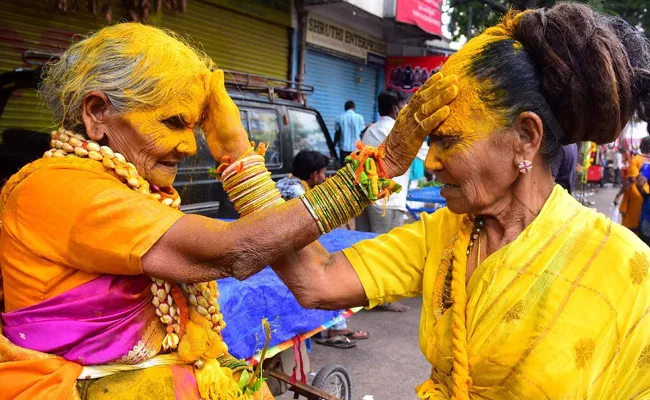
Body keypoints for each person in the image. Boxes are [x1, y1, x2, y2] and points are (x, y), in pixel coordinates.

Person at [0, 23, 453, 399]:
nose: (187, 145)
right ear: (97, 112)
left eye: (195, 127)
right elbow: (232, 251)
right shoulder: (57, 187)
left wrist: (236, 148)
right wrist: (377, 171)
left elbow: (287, 266)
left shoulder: (122, 183)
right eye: (173, 123)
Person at [264, 4, 650, 399]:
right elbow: (316, 279)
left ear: (526, 137)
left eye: (446, 140)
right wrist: (239, 157)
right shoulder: (444, 235)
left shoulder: (624, 267)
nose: (429, 162)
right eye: (428, 143)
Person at [615, 145, 646, 232]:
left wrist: (618, 196)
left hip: (636, 197)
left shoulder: (636, 159)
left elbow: (631, 179)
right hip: (646, 199)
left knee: (630, 229)